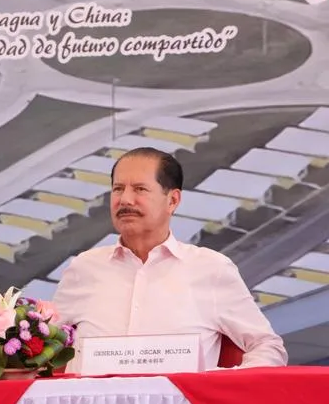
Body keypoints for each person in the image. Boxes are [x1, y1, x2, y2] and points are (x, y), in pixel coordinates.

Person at [52, 147, 287, 369]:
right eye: (118, 189)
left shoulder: (211, 269)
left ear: (172, 200)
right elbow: (39, 346)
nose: (125, 200)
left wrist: (222, 385)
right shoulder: (84, 268)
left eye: (140, 189)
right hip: (92, 400)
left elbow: (268, 346)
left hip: (182, 401)